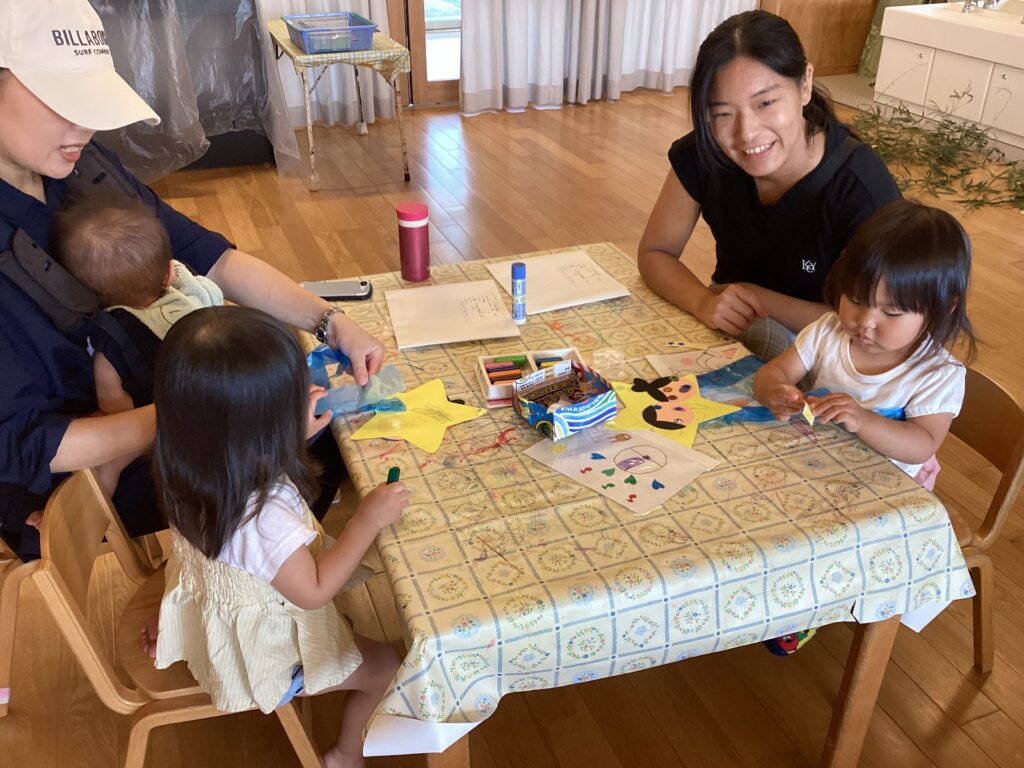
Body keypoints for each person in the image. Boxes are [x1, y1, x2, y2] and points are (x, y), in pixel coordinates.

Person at [0, 0, 381, 559]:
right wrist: (228, 410)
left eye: (91, 102)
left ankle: (263, 579)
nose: (85, 126)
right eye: (63, 102)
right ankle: (252, 589)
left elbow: (210, 255)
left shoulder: (79, 165)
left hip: (155, 394)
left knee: (329, 416)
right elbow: (26, 444)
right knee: (312, 439)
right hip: (73, 477)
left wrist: (329, 321)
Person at [149, 306, 404, 768]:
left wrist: (289, 437)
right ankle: (345, 755)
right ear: (260, 430)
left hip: (213, 611)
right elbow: (314, 590)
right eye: (292, 395)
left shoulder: (188, 464)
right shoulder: (262, 518)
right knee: (387, 665)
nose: (309, 393)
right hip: (265, 659)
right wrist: (366, 519)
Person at [753, 199, 975, 656]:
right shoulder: (828, 332)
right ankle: (770, 587)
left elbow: (922, 444)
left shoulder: (936, 373)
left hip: (887, 490)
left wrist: (863, 419)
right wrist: (775, 389)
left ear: (941, 309)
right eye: (855, 299)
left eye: (891, 313)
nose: (865, 322)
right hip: (817, 464)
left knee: (822, 537)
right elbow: (772, 373)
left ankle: (813, 606)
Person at [637, 10, 901, 361]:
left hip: (839, 355)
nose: (746, 133)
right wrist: (701, 301)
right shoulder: (705, 154)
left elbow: (877, 323)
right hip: (735, 329)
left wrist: (750, 295)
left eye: (765, 103)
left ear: (804, 85)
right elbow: (656, 252)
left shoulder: (861, 187)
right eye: (723, 113)